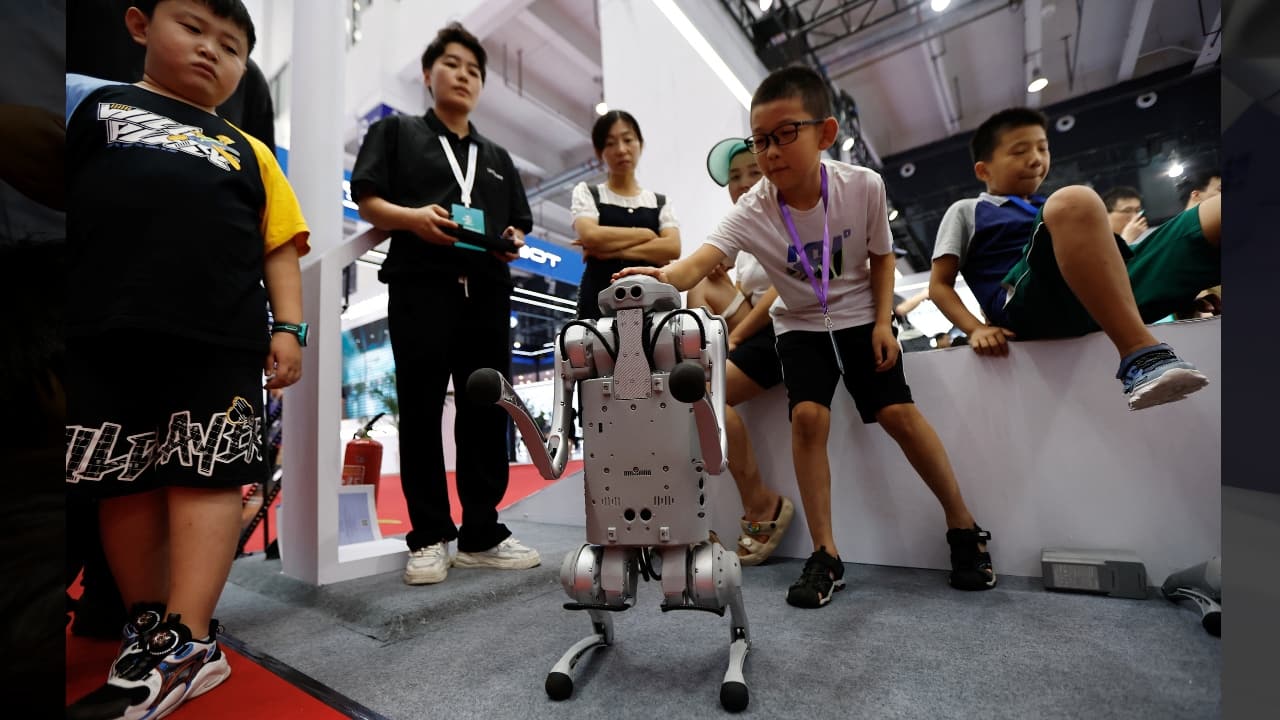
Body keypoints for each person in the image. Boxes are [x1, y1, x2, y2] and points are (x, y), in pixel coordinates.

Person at [617, 66, 996, 608]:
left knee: (898, 415)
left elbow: (883, 255)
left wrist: (885, 319)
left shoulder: (861, 185)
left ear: (825, 132)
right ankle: (826, 553)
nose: (769, 153)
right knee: (808, 419)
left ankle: (964, 529)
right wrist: (662, 278)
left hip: (861, 315)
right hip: (798, 324)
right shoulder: (754, 208)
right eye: (760, 140)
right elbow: (701, 260)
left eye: (783, 135)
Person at [63, 2, 310, 719]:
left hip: (219, 336)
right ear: (140, 25)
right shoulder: (92, 102)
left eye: (231, 46)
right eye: (193, 29)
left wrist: (288, 328)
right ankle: (146, 622)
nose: (210, 51)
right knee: (124, 476)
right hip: (103, 326)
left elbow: (279, 245)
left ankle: (189, 639)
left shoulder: (248, 149)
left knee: (208, 477)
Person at [352, 23, 540, 586]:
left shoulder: (498, 156)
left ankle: (482, 531)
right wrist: (412, 219)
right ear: (429, 73)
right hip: (421, 285)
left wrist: (514, 240)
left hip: (486, 292)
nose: (464, 76)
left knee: (486, 411)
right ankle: (430, 535)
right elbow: (367, 200)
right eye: (453, 64)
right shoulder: (396, 132)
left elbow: (518, 224)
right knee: (421, 410)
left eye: (474, 71)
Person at [928, 108, 1220, 410]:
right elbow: (939, 285)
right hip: (1032, 303)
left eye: (1043, 148)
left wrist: (1181, 292)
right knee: (1074, 201)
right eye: (1019, 151)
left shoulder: (1054, 205)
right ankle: (1141, 356)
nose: (1035, 159)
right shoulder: (967, 210)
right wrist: (976, 328)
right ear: (983, 170)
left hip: (1098, 292)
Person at [684, 138, 795, 566]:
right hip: (752, 330)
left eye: (753, 172)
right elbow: (721, 279)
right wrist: (721, 269)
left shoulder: (790, 218)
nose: (744, 184)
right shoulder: (745, 230)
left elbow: (786, 290)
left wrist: (735, 338)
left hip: (783, 329)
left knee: (705, 396)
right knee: (700, 283)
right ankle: (694, 360)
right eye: (735, 177)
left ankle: (761, 503)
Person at [570, 110, 682, 320]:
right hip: (598, 301)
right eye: (610, 143)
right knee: (600, 351)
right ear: (599, 151)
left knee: (656, 351)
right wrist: (646, 234)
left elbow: (672, 247)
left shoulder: (659, 202)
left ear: (640, 143)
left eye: (628, 140)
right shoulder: (588, 193)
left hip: (653, 304)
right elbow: (590, 236)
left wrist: (607, 252)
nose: (621, 150)